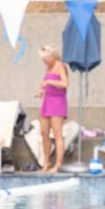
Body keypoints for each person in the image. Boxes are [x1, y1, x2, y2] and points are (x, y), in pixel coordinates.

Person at [37, 44, 69, 173]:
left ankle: (58, 164)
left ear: (52, 56)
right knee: (44, 133)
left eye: (45, 59)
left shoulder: (61, 66)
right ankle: (46, 162)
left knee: (57, 134)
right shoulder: (48, 68)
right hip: (47, 101)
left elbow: (65, 84)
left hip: (57, 101)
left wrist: (49, 82)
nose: (44, 61)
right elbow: (45, 84)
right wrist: (41, 90)